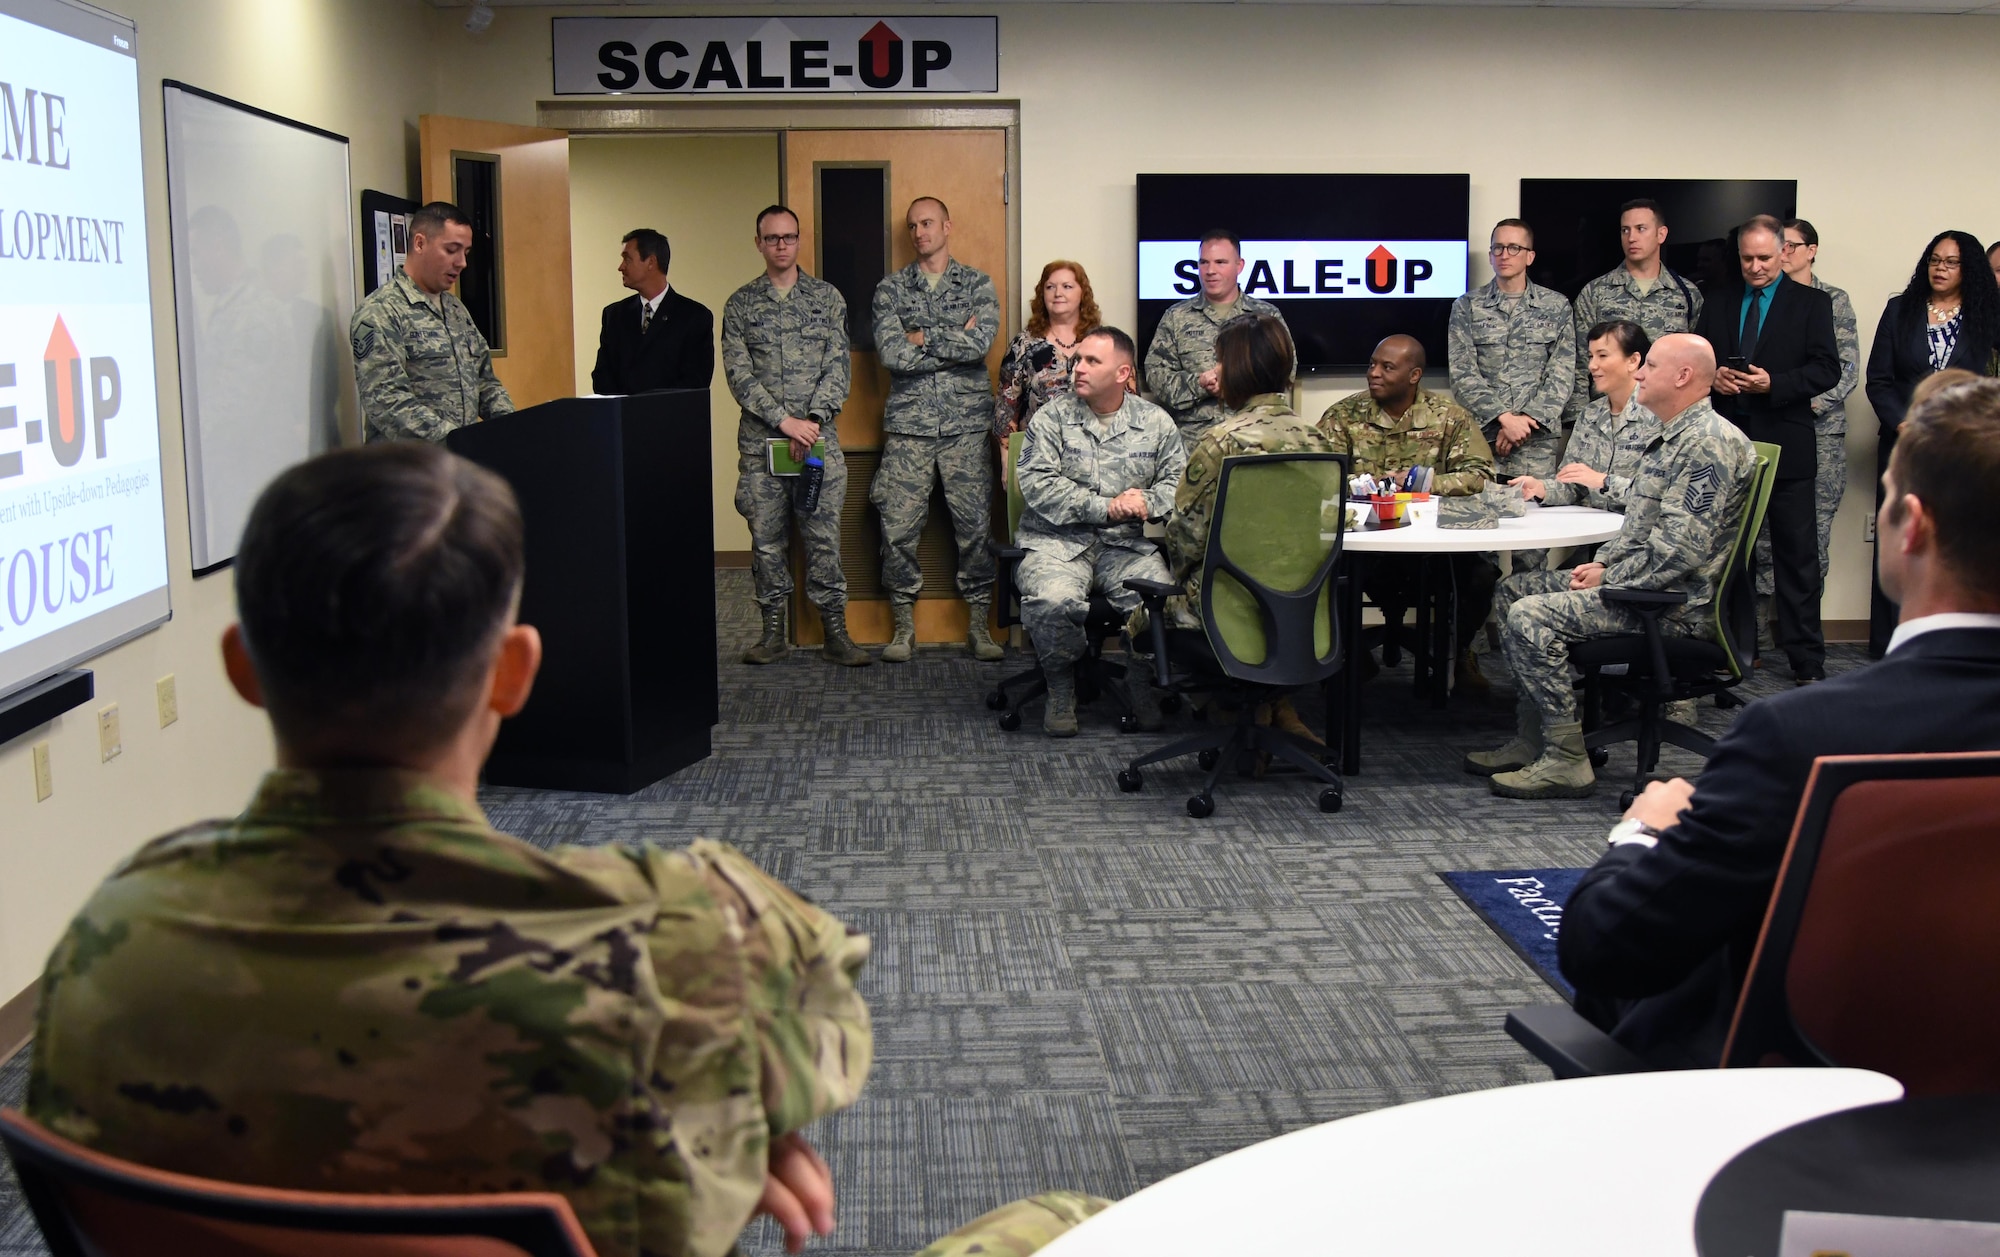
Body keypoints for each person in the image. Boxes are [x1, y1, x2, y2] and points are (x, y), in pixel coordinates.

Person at [25, 442, 1107, 1257]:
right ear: (514, 671)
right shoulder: (671, 936)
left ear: (242, 668)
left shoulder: (110, 939)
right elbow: (821, 1030)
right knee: (1075, 1221)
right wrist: (740, 1112)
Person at [1557, 379, 2000, 1069]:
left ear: (1911, 525)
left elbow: (1604, 947)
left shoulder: (1802, 738)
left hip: (1816, 1116)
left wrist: (1643, 830)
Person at [1472, 334, 1756, 800]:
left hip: (1671, 607)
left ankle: (1566, 760)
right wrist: (1604, 560)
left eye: (1652, 366)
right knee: (1514, 591)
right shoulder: (1671, 435)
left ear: (1683, 376)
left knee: (1529, 615)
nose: (1640, 373)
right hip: (1640, 585)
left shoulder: (1707, 444)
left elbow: (1677, 553)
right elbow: (1638, 524)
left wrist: (1610, 577)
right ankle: (1535, 738)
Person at [1015, 327, 1185, 736]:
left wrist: (1148, 503)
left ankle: (1139, 684)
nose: (1079, 369)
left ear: (1123, 372)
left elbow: (1178, 485)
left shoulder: (1154, 422)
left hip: (1124, 546)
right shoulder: (1052, 416)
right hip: (1056, 543)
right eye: (1078, 360)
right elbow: (1037, 483)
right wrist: (1105, 507)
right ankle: (1060, 687)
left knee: (1161, 602)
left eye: (1093, 361)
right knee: (1052, 600)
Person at [721, 204, 870, 668]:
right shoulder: (740, 304)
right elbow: (738, 374)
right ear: (759, 243)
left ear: (799, 240)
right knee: (767, 541)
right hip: (762, 446)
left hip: (817, 443)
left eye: (789, 237)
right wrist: (785, 422)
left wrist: (813, 421)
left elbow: (837, 369)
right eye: (772, 238)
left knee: (823, 538)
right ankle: (772, 634)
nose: (781, 245)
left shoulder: (827, 298)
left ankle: (836, 634)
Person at [1694, 215, 1840, 685]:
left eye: (1763, 257)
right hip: (1729, 443)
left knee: (1796, 557)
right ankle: (1736, 649)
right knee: (1731, 554)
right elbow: (1696, 363)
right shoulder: (1718, 300)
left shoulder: (1813, 304)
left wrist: (1774, 383)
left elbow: (1827, 370)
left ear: (1784, 253)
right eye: (1746, 258)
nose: (1755, 267)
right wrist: (1713, 376)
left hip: (1788, 442)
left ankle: (1806, 659)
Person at [870, 196, 1005, 664]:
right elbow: (891, 355)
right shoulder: (890, 290)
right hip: (909, 429)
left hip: (966, 427)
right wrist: (950, 335)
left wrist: (922, 336)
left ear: (947, 226)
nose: (919, 232)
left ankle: (979, 627)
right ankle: (904, 629)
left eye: (927, 223)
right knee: (898, 528)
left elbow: (981, 344)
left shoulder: (977, 284)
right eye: (912, 226)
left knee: (974, 528)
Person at [1317, 335, 1496, 679]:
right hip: (1363, 550)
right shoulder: (1343, 415)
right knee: (1318, 572)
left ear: (1414, 375)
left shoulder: (1449, 418)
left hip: (1433, 551)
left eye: (1387, 367)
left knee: (1480, 577)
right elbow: (1317, 476)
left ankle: (1456, 652)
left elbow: (1479, 476)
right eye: (1372, 364)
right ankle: (1348, 652)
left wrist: (1424, 482)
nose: (1374, 373)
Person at [1864, 230, 2000, 656]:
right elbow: (1879, 380)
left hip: (1960, 447)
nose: (1940, 269)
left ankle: (1942, 642)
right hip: (1902, 443)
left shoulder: (1988, 317)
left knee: (1952, 539)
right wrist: (1904, 423)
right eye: (1935, 260)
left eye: (1951, 262)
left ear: (1968, 270)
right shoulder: (1899, 310)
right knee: (1900, 536)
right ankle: (1888, 645)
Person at [1447, 218, 1576, 576]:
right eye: (1497, 248)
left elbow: (1562, 373)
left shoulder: (1556, 306)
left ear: (1530, 256)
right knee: (1477, 546)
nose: (1504, 255)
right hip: (1481, 440)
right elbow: (1462, 373)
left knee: (1531, 549)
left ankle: (1521, 627)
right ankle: (1476, 631)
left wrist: (1524, 423)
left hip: (1535, 443)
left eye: (1514, 248)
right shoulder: (1467, 307)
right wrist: (1503, 418)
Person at [350, 200, 512, 442]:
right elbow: (386, 400)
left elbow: (485, 382)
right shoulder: (381, 311)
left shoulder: (455, 309)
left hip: (456, 464)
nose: (462, 262)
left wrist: (514, 428)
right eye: (451, 250)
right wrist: (456, 441)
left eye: (465, 252)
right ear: (419, 243)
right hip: (407, 469)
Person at [1143, 229, 1289, 451]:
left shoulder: (1266, 316)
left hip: (1256, 439)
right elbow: (1156, 376)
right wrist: (1200, 384)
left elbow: (1286, 371)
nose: (1210, 271)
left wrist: (1235, 382)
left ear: (1239, 266)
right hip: (1195, 444)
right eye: (1204, 262)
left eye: (1220, 262)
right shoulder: (1176, 317)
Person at [1564, 200, 1703, 427]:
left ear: (1661, 234)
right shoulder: (1596, 292)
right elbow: (1579, 360)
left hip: (1667, 417)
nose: (1631, 238)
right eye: (1625, 230)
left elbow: (1695, 361)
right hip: (1609, 417)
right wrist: (1581, 419)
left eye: (1641, 229)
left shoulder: (1686, 295)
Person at [590, 227, 715, 395]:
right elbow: (602, 377)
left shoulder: (694, 317)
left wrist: (648, 408)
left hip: (671, 418)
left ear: (651, 262)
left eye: (627, 259)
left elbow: (695, 382)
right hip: (622, 418)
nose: (621, 267)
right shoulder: (614, 315)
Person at [995, 260, 1101, 454]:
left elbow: (1127, 400)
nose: (1058, 293)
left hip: (1096, 455)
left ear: (1082, 293)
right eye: (1050, 287)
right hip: (1037, 455)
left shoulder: (1103, 342)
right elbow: (1006, 408)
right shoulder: (1023, 344)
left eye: (1067, 286)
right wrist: (1006, 459)